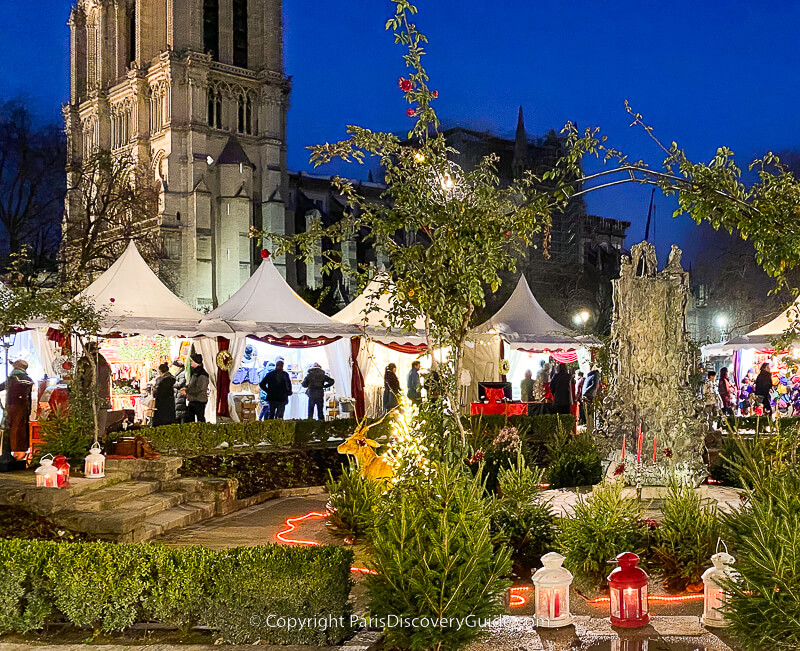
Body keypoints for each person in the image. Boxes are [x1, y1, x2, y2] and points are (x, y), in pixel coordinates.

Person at [75, 341, 112, 437]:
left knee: (88, 429)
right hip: (104, 399)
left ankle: (92, 448)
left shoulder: (83, 362)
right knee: (100, 429)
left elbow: (78, 381)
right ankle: (99, 447)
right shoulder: (104, 362)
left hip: (88, 399)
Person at [0, 359, 33, 458]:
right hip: (25, 407)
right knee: (22, 428)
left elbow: (1, 387)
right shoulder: (28, 379)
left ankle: (13, 451)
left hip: (13, 406)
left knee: (13, 428)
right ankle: (21, 450)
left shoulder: (14, 377)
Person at [182, 353, 209, 422]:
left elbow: (200, 388)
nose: (191, 362)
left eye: (192, 361)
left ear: (197, 363)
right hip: (193, 399)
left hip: (199, 400)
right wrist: (186, 388)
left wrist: (187, 391)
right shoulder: (195, 373)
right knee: (189, 418)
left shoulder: (202, 374)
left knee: (200, 418)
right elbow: (192, 384)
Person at [152, 362, 177, 426]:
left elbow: (156, 392)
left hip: (161, 404)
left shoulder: (160, 380)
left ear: (160, 371)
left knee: (161, 422)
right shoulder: (173, 379)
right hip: (170, 403)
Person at [581, 364, 601, 431]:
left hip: (589, 396)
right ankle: (589, 427)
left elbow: (594, 385)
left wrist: (586, 392)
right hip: (587, 396)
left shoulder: (595, 375)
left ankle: (590, 428)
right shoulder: (590, 375)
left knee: (590, 414)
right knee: (587, 413)